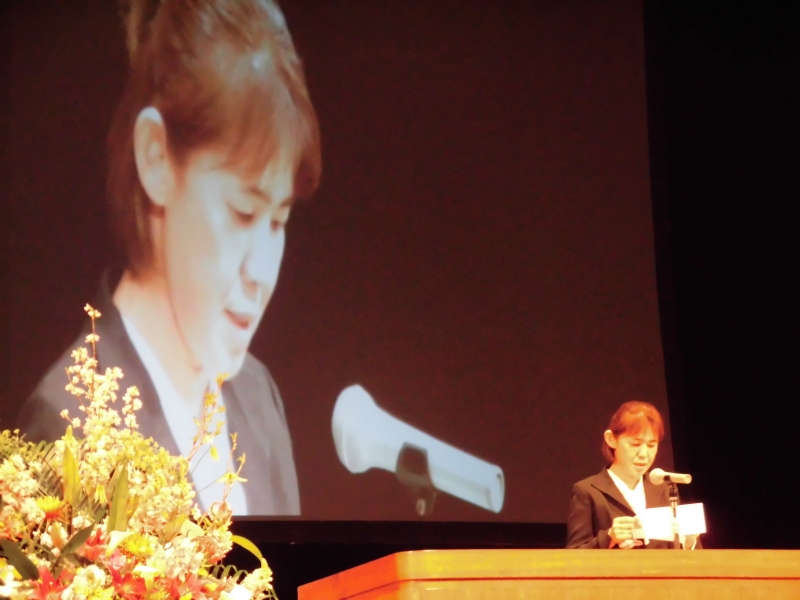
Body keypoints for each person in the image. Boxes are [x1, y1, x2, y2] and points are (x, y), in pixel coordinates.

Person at [15, 0, 321, 516]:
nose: (262, 273)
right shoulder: (70, 424)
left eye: (278, 222)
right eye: (243, 213)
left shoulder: (257, 397)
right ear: (156, 157)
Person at [566, 401, 700, 549]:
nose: (644, 454)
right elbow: (574, 555)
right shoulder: (587, 491)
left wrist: (689, 542)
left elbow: (688, 554)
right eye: (635, 444)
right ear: (611, 439)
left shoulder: (665, 489)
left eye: (651, 445)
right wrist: (609, 537)